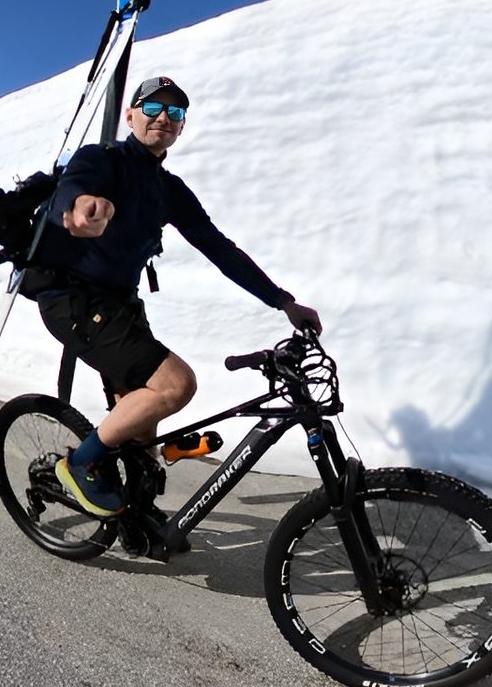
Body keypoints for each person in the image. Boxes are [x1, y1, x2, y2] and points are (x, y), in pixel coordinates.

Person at [30, 76, 321, 517]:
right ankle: (81, 462)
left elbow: (220, 249)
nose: (163, 117)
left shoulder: (169, 189)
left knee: (143, 423)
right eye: (152, 108)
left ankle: (138, 517)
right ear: (131, 115)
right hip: (73, 300)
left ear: (181, 127)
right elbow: (76, 185)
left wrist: (282, 301)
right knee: (176, 385)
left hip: (119, 305)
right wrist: (77, 207)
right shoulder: (103, 160)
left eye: (175, 112)